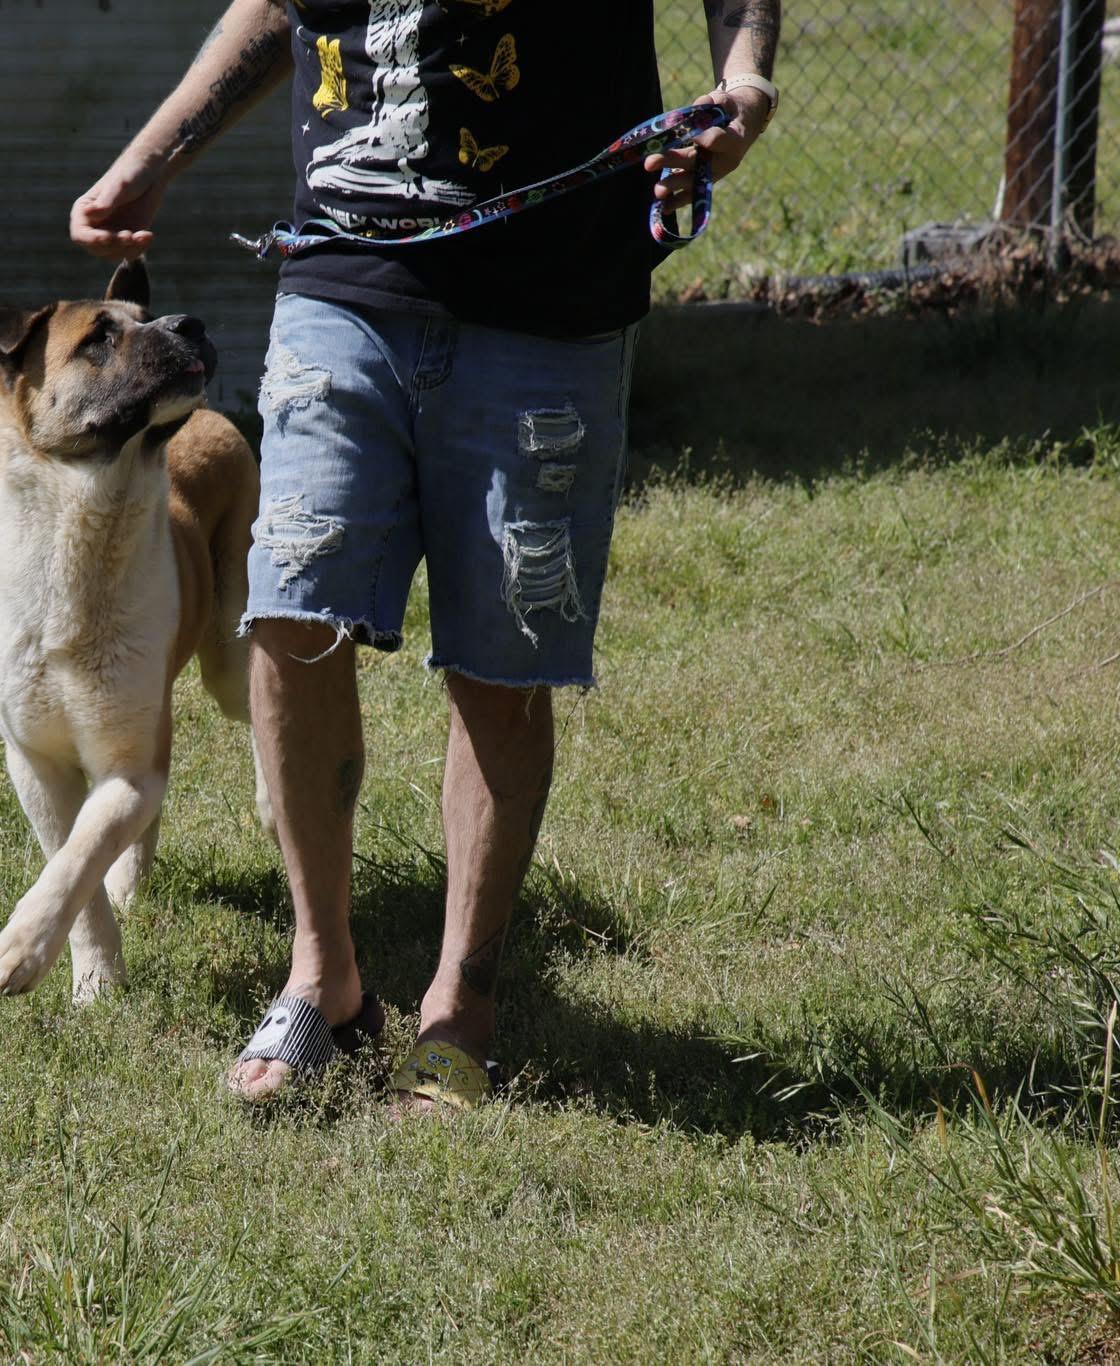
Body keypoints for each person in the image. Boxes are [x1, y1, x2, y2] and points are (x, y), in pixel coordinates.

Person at [69, 0, 779, 1109]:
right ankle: (324, 978)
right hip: (340, 273)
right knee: (289, 609)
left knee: (500, 661)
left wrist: (741, 78)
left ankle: (460, 1005)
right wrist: (153, 157)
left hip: (548, 294)